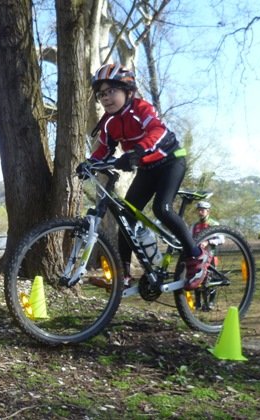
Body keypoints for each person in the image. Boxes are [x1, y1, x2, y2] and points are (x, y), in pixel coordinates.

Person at [78, 63, 210, 291]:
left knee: (162, 208)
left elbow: (157, 131)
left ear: (127, 90)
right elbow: (104, 150)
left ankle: (197, 257)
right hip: (147, 169)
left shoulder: (142, 108)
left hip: (171, 161)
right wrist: (89, 163)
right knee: (126, 218)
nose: (105, 98)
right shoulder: (109, 123)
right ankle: (124, 276)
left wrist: (137, 151)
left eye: (111, 91)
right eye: (101, 95)